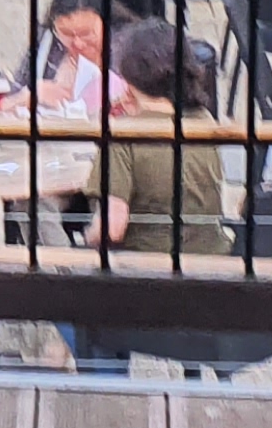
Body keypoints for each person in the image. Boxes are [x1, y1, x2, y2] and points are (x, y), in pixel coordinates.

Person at [96, 20, 231, 255]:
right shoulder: (203, 119)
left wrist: (87, 235)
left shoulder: (123, 134)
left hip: (149, 264)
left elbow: (112, 228)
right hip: (214, 257)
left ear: (127, 78)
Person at [0, 0, 110, 115]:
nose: (77, 43)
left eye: (86, 33)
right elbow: (6, 103)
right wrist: (32, 95)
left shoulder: (124, 51)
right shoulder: (46, 45)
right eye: (66, 33)